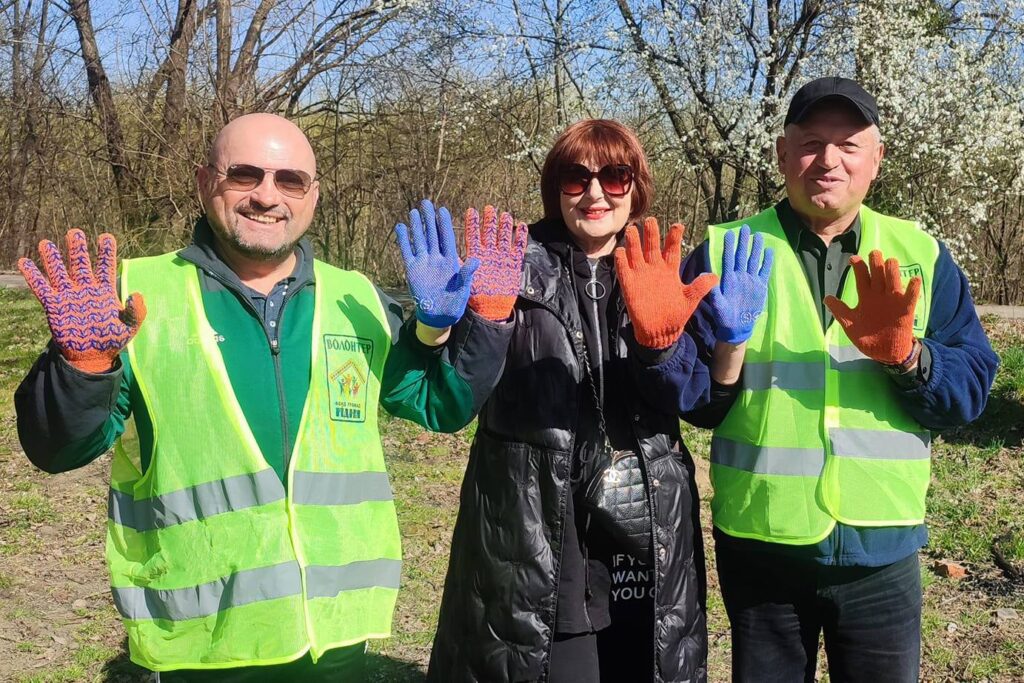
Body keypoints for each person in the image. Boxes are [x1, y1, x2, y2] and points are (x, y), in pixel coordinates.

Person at [14, 113, 512, 681]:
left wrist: (476, 325)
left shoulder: (356, 298)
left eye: (290, 180)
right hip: (201, 651)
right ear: (206, 183)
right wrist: (81, 366)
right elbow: (58, 448)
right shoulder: (131, 300)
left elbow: (440, 404)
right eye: (244, 175)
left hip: (336, 644)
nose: (267, 196)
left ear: (314, 194)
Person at [638, 77, 1000, 681]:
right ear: (783, 155)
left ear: (875, 160)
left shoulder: (922, 256)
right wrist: (699, 348)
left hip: (881, 550)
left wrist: (909, 357)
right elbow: (698, 404)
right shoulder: (725, 252)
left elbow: (968, 395)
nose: (828, 160)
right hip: (762, 545)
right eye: (810, 143)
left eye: (848, 145)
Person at [424, 119, 771, 682]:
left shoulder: (662, 270)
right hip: (535, 535)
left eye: (614, 176)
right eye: (574, 177)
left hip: (646, 529)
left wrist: (716, 344)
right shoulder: (508, 264)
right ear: (553, 187)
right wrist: (472, 323)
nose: (594, 193)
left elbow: (704, 406)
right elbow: (456, 400)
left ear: (635, 186)